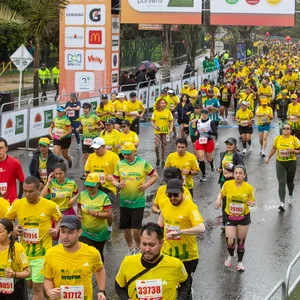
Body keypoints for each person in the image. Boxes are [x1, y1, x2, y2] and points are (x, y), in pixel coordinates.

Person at [6, 176, 62, 300]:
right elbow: (7, 219)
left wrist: (56, 229)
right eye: (25, 191)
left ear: (39, 189)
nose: (27, 194)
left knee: (37, 288)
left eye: (30, 191)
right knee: (30, 285)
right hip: (24, 254)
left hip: (42, 254)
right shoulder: (18, 204)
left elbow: (59, 218)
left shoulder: (49, 205)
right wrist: (14, 228)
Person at [115, 222, 189, 300]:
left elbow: (185, 281)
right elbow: (119, 285)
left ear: (162, 243)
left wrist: (181, 297)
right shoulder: (128, 262)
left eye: (152, 245)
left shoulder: (175, 265)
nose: (147, 249)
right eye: (144, 244)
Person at [159, 179, 205, 299]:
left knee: (184, 284)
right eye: (169, 195)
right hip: (168, 252)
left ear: (182, 192)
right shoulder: (164, 203)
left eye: (175, 195)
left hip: (187, 256)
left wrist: (180, 232)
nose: (172, 198)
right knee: (169, 280)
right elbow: (161, 221)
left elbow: (201, 228)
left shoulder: (191, 207)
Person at [42, 215, 107, 300]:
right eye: (62, 231)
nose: (65, 236)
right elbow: (48, 278)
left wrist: (101, 291)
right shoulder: (50, 253)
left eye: (70, 232)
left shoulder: (92, 253)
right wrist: (49, 291)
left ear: (79, 232)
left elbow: (100, 270)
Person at [112, 142, 158, 255]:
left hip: (138, 201)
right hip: (124, 202)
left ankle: (138, 248)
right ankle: (130, 248)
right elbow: (114, 179)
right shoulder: (120, 164)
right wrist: (118, 185)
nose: (126, 156)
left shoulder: (143, 163)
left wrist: (146, 185)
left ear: (134, 151)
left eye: (129, 154)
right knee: (126, 229)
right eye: (124, 154)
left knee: (136, 230)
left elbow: (154, 175)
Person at [214, 165, 255, 272]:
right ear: (233, 174)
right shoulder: (227, 184)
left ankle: (240, 262)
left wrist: (251, 203)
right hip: (230, 216)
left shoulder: (249, 188)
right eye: (236, 173)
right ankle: (231, 256)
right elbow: (221, 193)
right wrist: (218, 200)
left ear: (244, 175)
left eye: (240, 173)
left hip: (243, 217)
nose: (238, 175)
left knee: (241, 241)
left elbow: (252, 201)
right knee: (230, 241)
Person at [78, 173, 112, 262]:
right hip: (85, 231)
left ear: (97, 185)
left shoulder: (104, 197)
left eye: (91, 186)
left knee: (98, 254)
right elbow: (79, 207)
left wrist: (97, 214)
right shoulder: (82, 195)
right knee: (84, 253)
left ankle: (100, 273)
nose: (89, 188)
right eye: (87, 186)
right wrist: (79, 214)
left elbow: (108, 214)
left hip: (100, 232)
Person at [266, 124, 300, 211]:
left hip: (291, 163)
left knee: (290, 182)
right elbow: (274, 148)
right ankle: (282, 203)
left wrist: (293, 150)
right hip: (280, 163)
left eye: (287, 128)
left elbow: (299, 150)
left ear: (290, 131)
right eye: (284, 128)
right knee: (281, 182)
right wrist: (268, 158)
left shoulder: (294, 139)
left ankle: (291, 194)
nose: (285, 129)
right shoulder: (278, 138)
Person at [217, 138, 245, 230]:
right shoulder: (223, 154)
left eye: (231, 144)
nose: (228, 146)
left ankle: (236, 221)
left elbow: (241, 168)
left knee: (234, 201)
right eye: (227, 144)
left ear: (235, 145)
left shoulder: (238, 156)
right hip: (224, 181)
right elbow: (220, 166)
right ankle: (225, 222)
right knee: (225, 201)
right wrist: (219, 169)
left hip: (234, 181)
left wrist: (231, 167)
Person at [0, 218, 31, 299]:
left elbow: (28, 272)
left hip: (16, 289)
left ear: (9, 233)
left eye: (0, 232)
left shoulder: (17, 248)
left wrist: (14, 274)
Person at [77, 102, 103, 179]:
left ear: (89, 109)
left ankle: (95, 170)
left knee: (94, 155)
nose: (85, 110)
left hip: (93, 138)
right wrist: (79, 128)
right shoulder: (81, 117)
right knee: (85, 155)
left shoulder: (94, 117)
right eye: (83, 108)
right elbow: (82, 125)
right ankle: (85, 171)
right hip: (85, 138)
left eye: (86, 108)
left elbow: (102, 125)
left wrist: (94, 128)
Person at [194, 107, 217, 182]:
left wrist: (207, 131)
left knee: (209, 158)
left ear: (208, 114)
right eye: (202, 113)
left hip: (208, 141)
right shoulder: (198, 121)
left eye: (205, 113)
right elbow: (195, 128)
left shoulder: (211, 122)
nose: (204, 115)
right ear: (201, 114)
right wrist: (196, 132)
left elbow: (215, 132)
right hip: (200, 140)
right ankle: (203, 175)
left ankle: (211, 164)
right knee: (201, 157)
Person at [0, 138, 24, 204]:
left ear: (6, 148)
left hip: (10, 202)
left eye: (1, 148)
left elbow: (22, 181)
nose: (0, 150)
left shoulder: (14, 162)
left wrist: (19, 198)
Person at [151, 99, 173, 167]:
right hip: (157, 131)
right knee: (156, 146)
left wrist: (171, 128)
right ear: (159, 104)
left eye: (164, 103)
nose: (163, 104)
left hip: (165, 131)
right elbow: (152, 122)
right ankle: (158, 158)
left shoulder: (168, 112)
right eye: (162, 103)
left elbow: (171, 121)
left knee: (164, 146)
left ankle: (163, 160)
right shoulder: (155, 112)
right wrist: (155, 127)